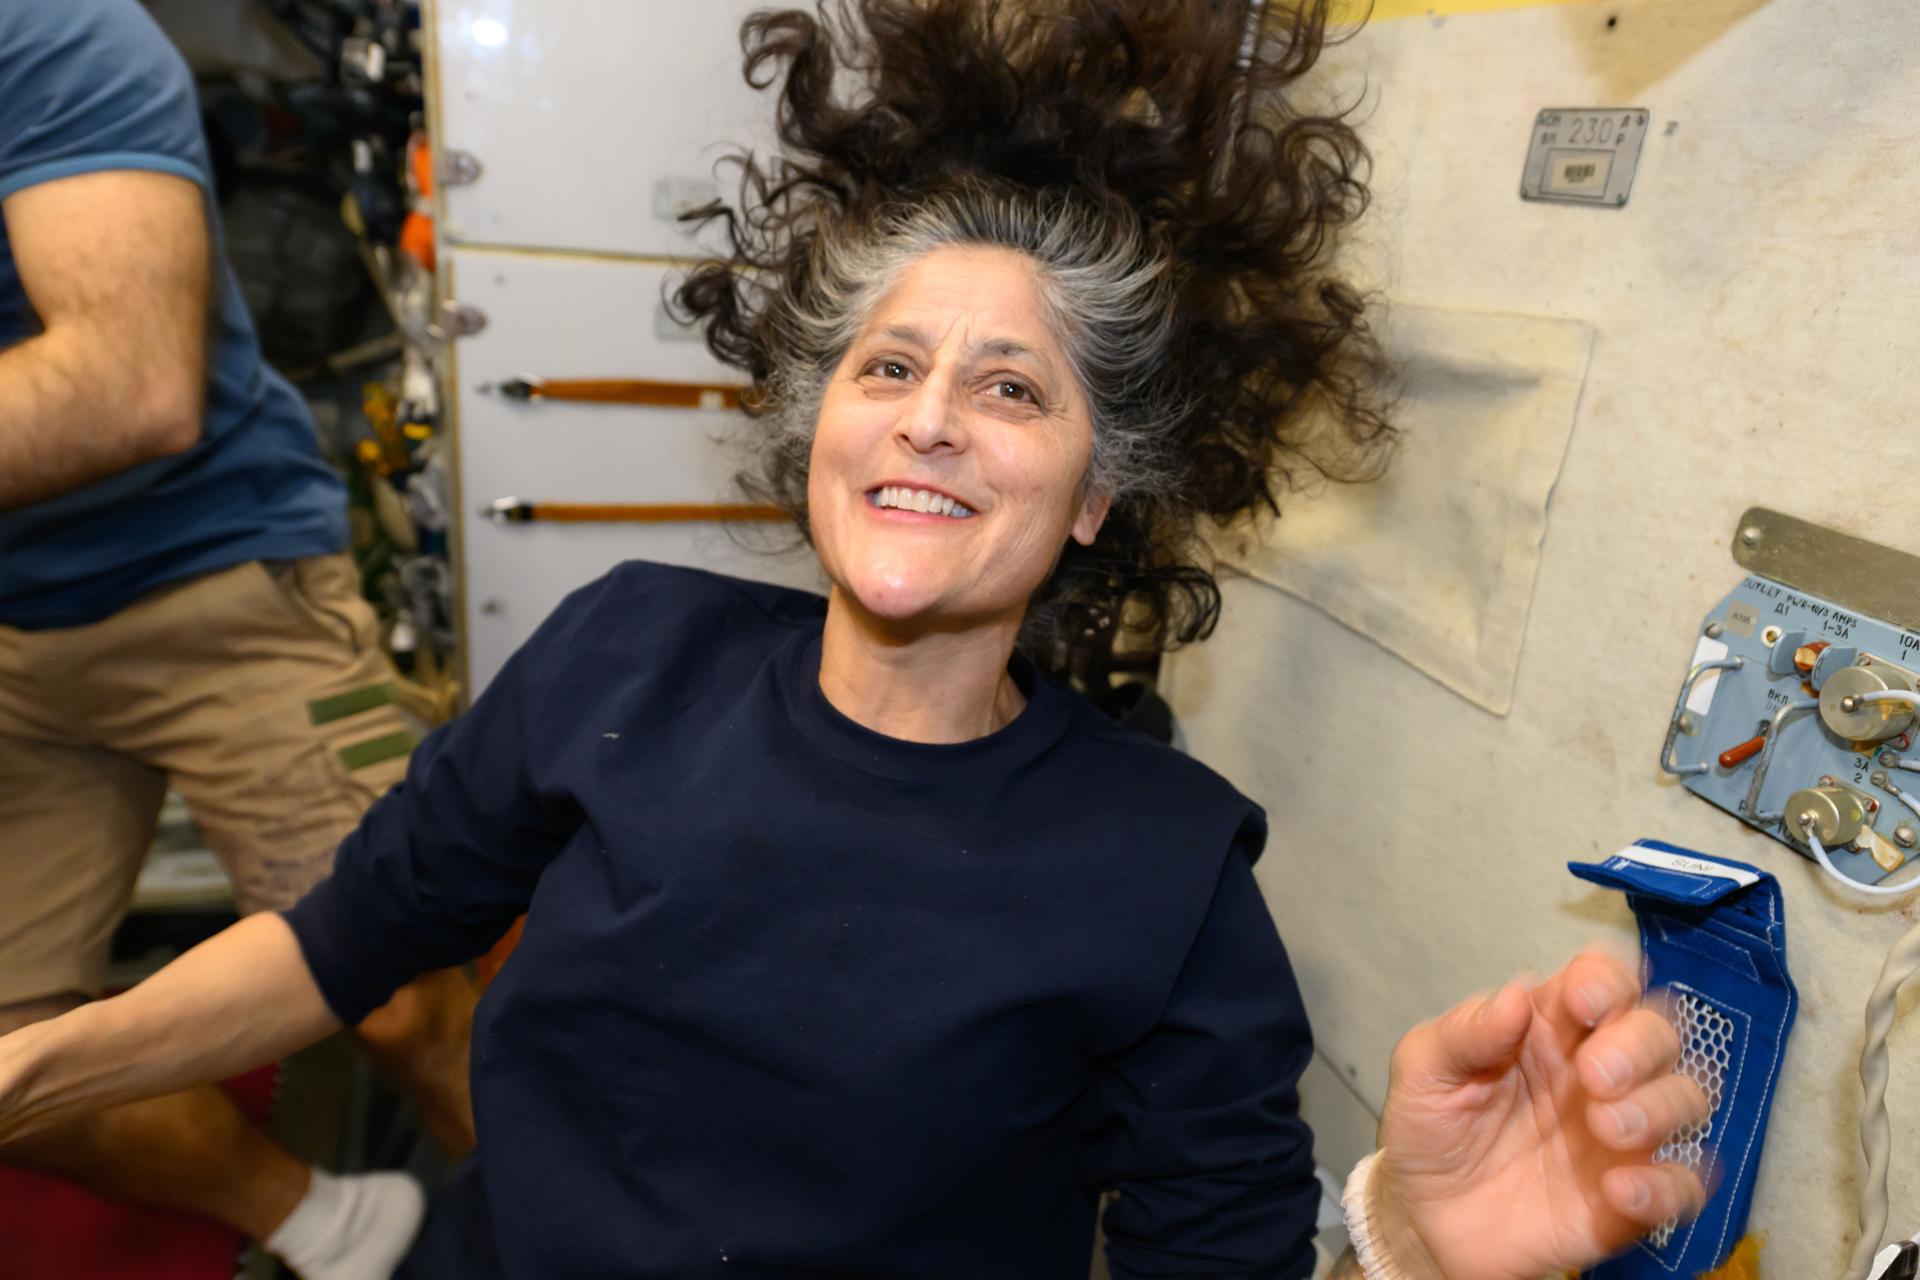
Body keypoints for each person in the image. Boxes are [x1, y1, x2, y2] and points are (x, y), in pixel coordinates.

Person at [0, 2, 1711, 1277]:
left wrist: (1402, 1242)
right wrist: (35, 1069)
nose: (929, 422)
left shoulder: (1165, 871)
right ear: (814, 418)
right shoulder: (624, 655)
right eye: (886, 369)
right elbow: (334, 951)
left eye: (1012, 388)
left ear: (1101, 492)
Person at [0, 2, 482, 1275]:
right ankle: (338, 1223)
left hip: (223, 580)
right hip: (16, 634)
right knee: (8, 1063)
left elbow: (128, 383)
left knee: (403, 988)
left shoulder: (47, 36)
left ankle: (559, 1246)